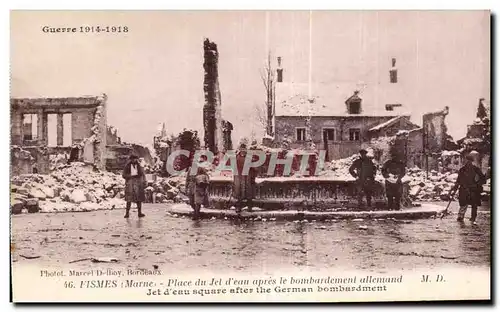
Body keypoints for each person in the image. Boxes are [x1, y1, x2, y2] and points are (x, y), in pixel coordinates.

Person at [451, 153, 486, 224]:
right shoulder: (462, 170)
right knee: (463, 204)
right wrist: (454, 189)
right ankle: (461, 217)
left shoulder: (476, 169)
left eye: (469, 161)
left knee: (474, 205)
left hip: (473, 190)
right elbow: (458, 180)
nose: (468, 162)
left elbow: (483, 179)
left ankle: (473, 218)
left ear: (471, 161)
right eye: (467, 161)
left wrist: (477, 184)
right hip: (464, 189)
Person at [233, 143, 257, 213]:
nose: (243, 151)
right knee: (239, 192)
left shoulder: (249, 158)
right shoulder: (237, 157)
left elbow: (255, 168)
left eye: (244, 149)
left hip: (248, 177)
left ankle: (250, 207)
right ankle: (238, 207)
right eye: (242, 149)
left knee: (248, 192)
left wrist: (253, 176)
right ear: (240, 150)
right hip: (240, 177)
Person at [122, 154, 146, 218]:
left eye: (135, 159)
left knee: (139, 199)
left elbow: (142, 174)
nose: (134, 160)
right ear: (130, 159)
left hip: (138, 184)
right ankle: (127, 213)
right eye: (132, 159)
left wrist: (143, 181)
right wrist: (130, 175)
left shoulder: (139, 166)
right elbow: (124, 175)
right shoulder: (127, 166)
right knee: (129, 199)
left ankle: (139, 212)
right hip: (130, 183)